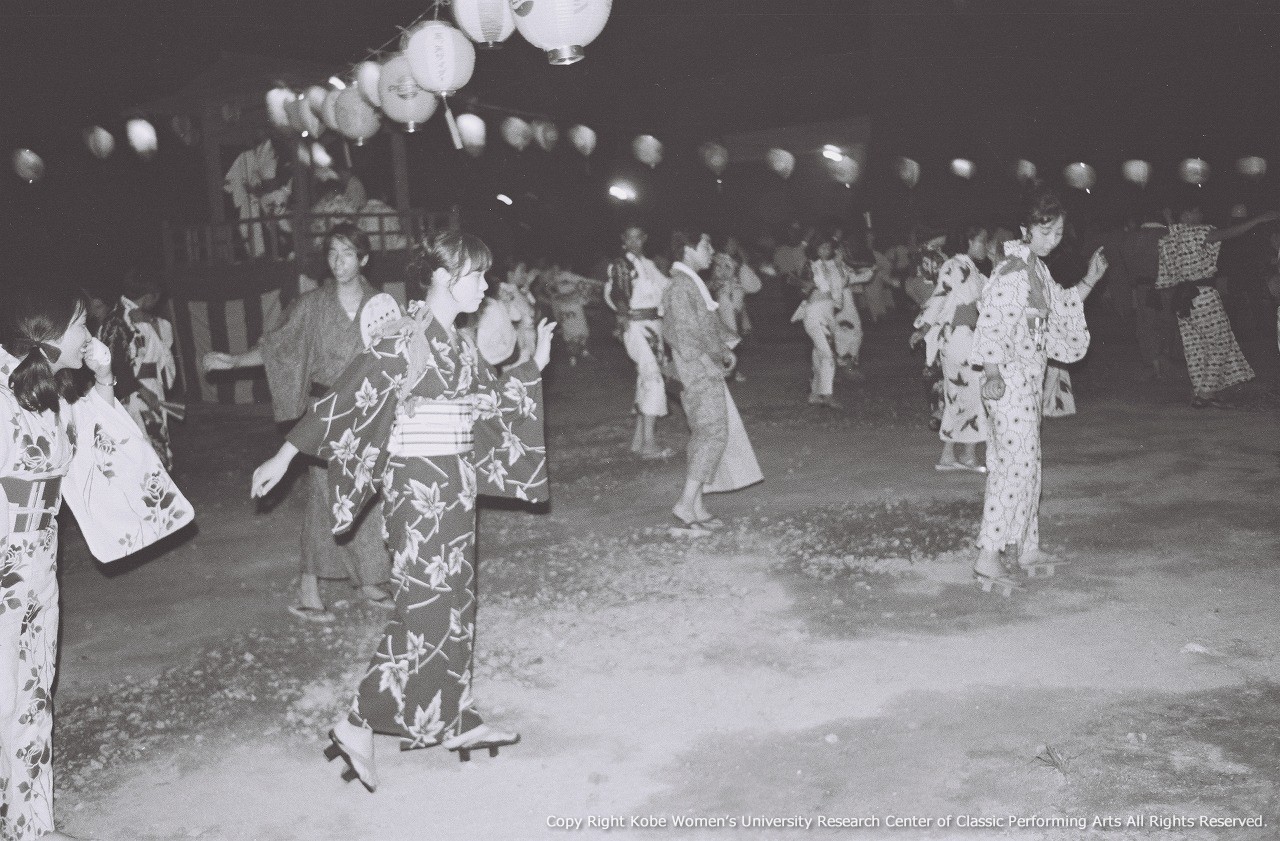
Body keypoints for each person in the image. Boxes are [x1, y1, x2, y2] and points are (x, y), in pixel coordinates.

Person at [250, 230, 556, 790]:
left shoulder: (459, 342)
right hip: (418, 492)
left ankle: (452, 717)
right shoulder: (405, 336)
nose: (484, 285)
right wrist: (285, 453)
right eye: (475, 274)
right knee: (423, 608)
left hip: (455, 488)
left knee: (455, 602)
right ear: (440, 276)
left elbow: (488, 403)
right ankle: (356, 723)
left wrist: (531, 366)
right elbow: (348, 396)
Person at [2, 285, 191, 840]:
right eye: (81, 324)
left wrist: (104, 377)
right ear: (51, 334)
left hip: (40, 567)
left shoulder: (51, 394)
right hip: (5, 566)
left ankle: (29, 826)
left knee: (33, 696)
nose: (88, 333)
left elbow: (102, 438)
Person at [203, 224, 393, 620]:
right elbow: (278, 348)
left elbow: (400, 355)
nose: (338, 261)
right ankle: (309, 589)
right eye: (333, 253)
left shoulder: (383, 305)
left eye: (347, 253)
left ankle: (370, 579)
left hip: (369, 411)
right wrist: (236, 361)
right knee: (325, 496)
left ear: (363, 259)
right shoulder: (312, 305)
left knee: (368, 492)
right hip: (324, 410)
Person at [969, 188, 1107, 592]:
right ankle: (988, 556)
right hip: (1008, 383)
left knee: (1028, 465)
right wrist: (992, 372)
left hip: (1027, 383)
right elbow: (990, 325)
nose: (1051, 240)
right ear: (1025, 229)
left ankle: (1026, 547)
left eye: (1058, 233)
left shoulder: (1037, 269)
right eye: (1044, 232)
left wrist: (1090, 279)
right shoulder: (1012, 271)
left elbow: (1061, 306)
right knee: (1016, 467)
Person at [663, 231, 760, 533]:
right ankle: (685, 503)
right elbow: (684, 336)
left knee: (706, 433)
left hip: (701, 367)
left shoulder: (690, 283)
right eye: (705, 245)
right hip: (697, 370)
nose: (712, 250)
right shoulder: (681, 286)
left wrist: (723, 351)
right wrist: (710, 363)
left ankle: (696, 505)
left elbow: (705, 328)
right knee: (712, 433)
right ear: (688, 249)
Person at [1155, 201, 1278, 408]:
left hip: (1182, 298)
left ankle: (1201, 391)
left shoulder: (1168, 239)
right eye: (1196, 211)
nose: (1201, 215)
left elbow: (1175, 237)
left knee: (1195, 346)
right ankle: (1205, 394)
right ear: (1186, 214)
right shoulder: (1197, 233)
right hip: (1202, 295)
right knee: (1220, 343)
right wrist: (1258, 220)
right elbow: (1229, 233)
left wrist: (1170, 219)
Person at [911, 225, 989, 473]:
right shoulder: (953, 265)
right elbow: (939, 297)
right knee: (965, 394)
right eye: (982, 241)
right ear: (969, 241)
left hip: (969, 337)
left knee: (964, 395)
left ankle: (955, 455)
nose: (985, 246)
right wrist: (923, 327)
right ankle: (964, 455)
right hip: (957, 338)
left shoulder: (972, 268)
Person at [95, 272, 178, 471]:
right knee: (145, 452)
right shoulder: (117, 321)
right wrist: (142, 391)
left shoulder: (136, 317)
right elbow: (113, 365)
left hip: (148, 390)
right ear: (149, 296)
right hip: (134, 395)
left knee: (155, 445)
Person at [604, 226, 673, 459]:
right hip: (636, 325)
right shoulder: (621, 265)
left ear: (645, 239)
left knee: (648, 376)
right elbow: (618, 293)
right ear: (623, 240)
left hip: (654, 326)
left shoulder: (650, 265)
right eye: (629, 237)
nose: (634, 242)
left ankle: (639, 440)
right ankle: (649, 445)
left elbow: (668, 288)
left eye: (638, 237)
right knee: (652, 377)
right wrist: (622, 317)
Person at [793, 237, 855, 409]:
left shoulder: (834, 266)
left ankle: (814, 393)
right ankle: (827, 395)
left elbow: (842, 285)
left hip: (828, 313)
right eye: (822, 247)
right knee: (828, 354)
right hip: (814, 313)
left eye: (828, 247)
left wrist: (840, 266)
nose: (826, 250)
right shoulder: (810, 265)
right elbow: (801, 289)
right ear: (815, 249)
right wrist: (809, 285)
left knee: (819, 354)